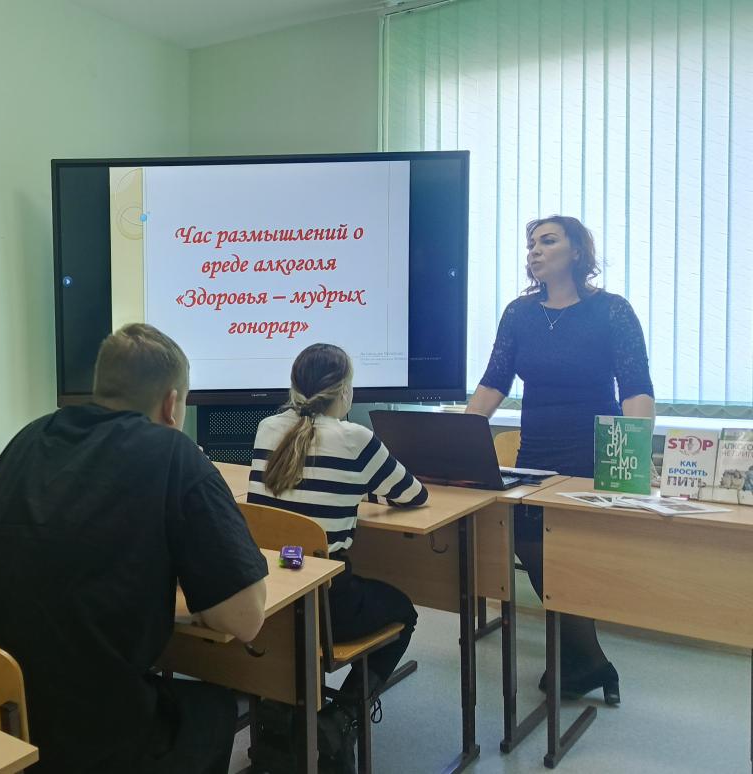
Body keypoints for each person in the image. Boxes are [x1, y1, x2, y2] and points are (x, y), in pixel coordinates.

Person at [0, 323, 268, 774]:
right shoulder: (175, 454)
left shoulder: (30, 436)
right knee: (213, 709)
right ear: (171, 404)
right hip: (71, 735)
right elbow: (244, 619)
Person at [467, 215, 655, 705]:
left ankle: (579, 658)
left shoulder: (611, 310)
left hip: (593, 453)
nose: (534, 250)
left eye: (547, 241)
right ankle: (588, 658)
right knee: (530, 544)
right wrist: (459, 436)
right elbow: (493, 382)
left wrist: (634, 456)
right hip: (537, 453)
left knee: (571, 552)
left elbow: (635, 387)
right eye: (531, 242)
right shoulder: (519, 313)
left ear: (576, 251)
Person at [248, 342, 427, 699]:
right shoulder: (355, 438)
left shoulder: (267, 428)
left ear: (294, 386)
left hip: (271, 595)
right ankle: (343, 716)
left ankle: (284, 701)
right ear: (345, 391)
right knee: (404, 611)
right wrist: (363, 490)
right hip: (327, 608)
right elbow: (413, 495)